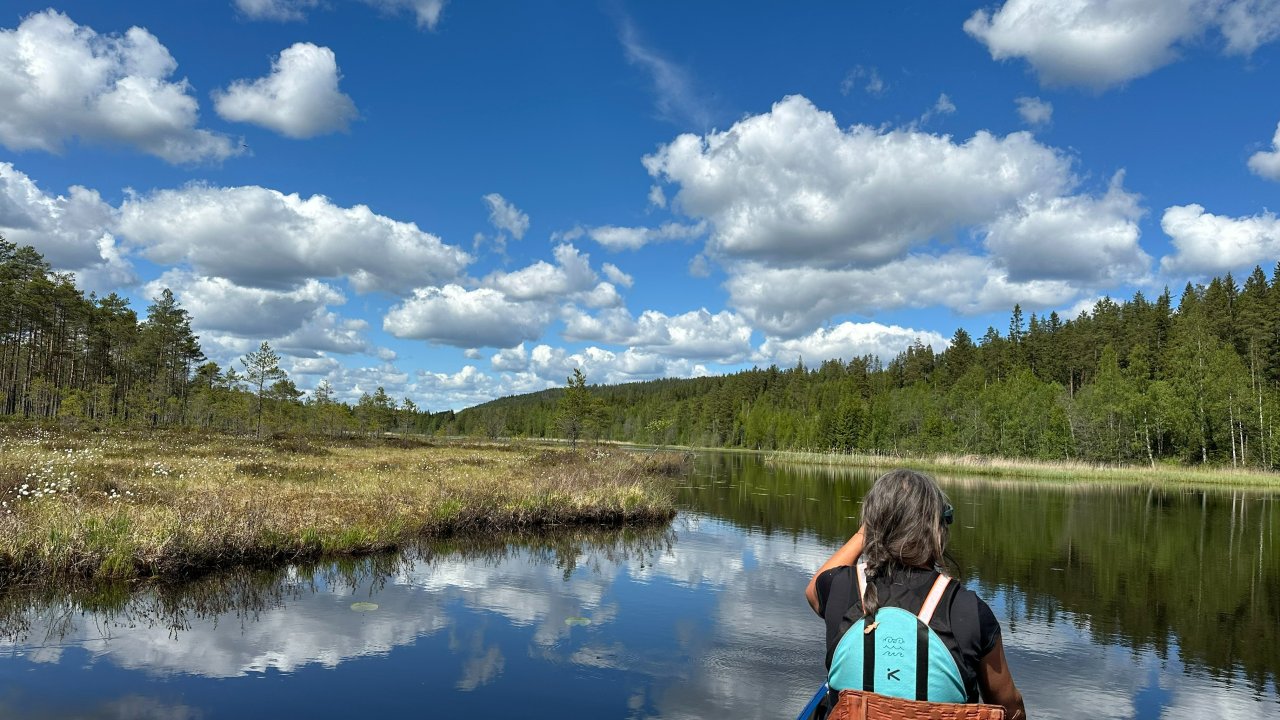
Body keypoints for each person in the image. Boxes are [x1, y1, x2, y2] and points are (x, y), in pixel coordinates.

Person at [804, 469, 1026, 719]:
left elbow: (813, 590)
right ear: (937, 530)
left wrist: (867, 531)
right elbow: (1009, 708)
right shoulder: (968, 610)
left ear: (872, 526)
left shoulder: (841, 588)